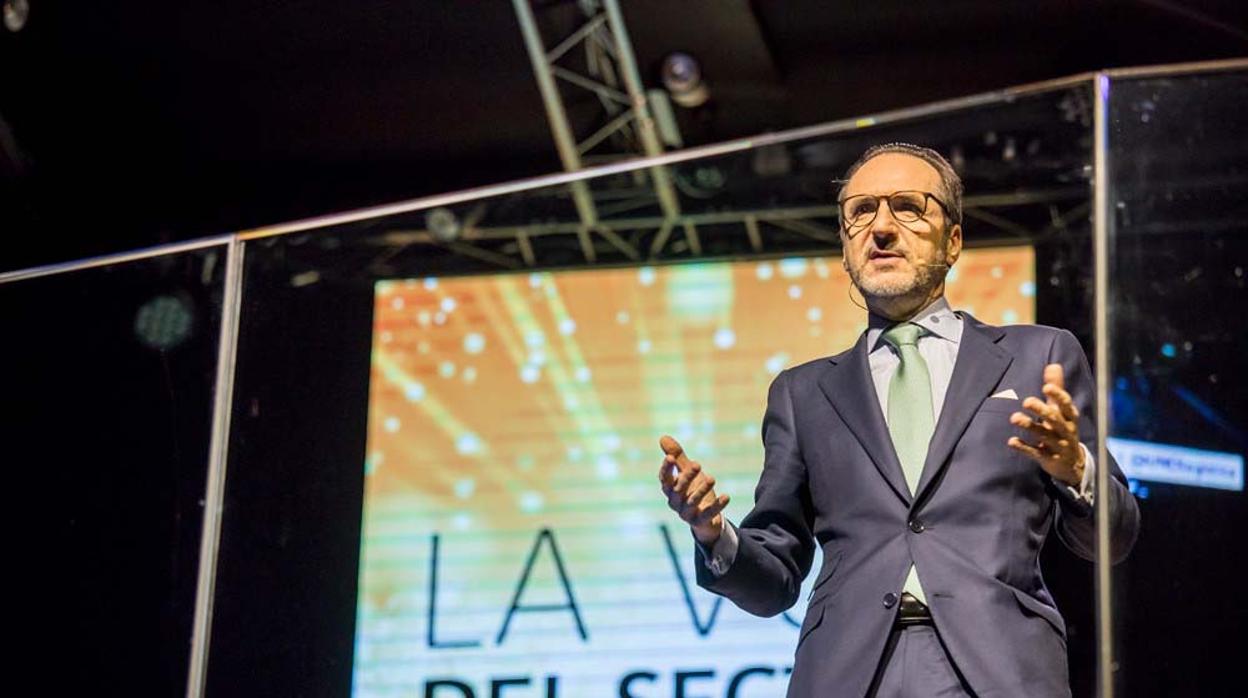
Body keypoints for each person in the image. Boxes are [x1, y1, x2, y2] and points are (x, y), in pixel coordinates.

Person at [657, 143, 1140, 698]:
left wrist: (1076, 469)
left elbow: (1114, 537)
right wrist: (713, 533)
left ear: (952, 241)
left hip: (1000, 669)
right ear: (845, 249)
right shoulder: (802, 393)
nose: (881, 228)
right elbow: (774, 582)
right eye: (861, 211)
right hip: (847, 675)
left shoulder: (1038, 356)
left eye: (908, 207)